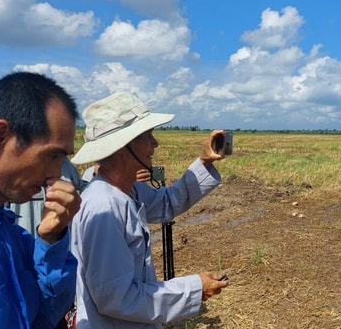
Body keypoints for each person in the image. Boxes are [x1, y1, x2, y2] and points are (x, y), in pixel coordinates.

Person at [70, 91, 229, 328]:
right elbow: (116, 297)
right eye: (148, 136)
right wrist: (195, 288)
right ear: (124, 146)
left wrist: (204, 162)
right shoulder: (104, 208)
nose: (155, 143)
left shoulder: (128, 191)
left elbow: (167, 203)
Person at [0, 72, 81, 328]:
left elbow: (42, 317)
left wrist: (50, 238)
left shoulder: (13, 234)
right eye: (51, 156)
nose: (55, 175)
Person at [10, 157, 84, 237]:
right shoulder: (16, 167)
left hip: (57, 242)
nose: (56, 173)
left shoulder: (67, 167)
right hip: (22, 240)